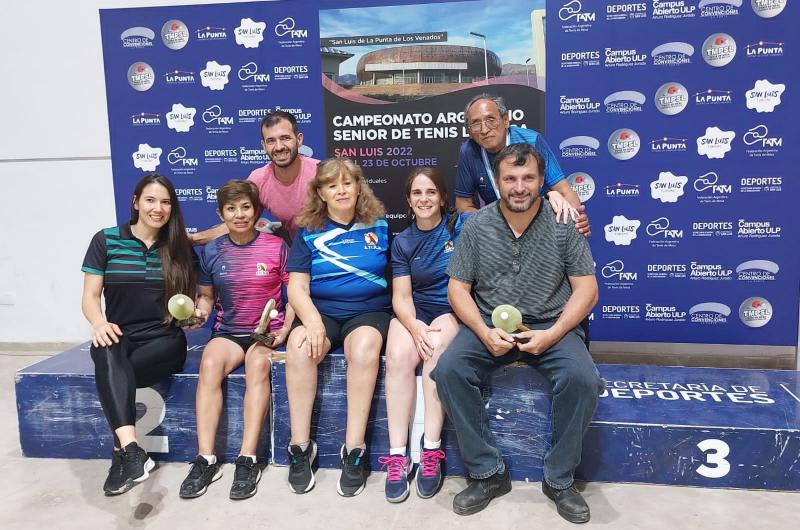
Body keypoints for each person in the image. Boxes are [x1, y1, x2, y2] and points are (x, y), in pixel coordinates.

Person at [431, 143, 602, 523]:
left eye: (528, 178)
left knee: (583, 379)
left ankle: (559, 479)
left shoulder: (564, 222)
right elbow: (457, 289)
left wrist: (553, 334)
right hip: (489, 324)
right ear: (497, 181)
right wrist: (481, 330)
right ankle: (488, 473)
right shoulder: (476, 225)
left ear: (543, 181)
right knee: (448, 371)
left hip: (550, 325)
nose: (519, 187)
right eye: (510, 178)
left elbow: (587, 289)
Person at [81, 173, 197, 496]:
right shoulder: (106, 240)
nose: (157, 208)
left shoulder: (178, 248)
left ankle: (122, 454)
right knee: (106, 350)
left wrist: (197, 311)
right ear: (135, 202)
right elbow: (90, 297)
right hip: (119, 336)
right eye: (150, 200)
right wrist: (99, 323)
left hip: (165, 340)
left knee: (114, 374)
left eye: (165, 202)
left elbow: (203, 296)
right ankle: (132, 451)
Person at [178, 180, 295, 500]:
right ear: (221, 213)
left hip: (266, 333)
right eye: (231, 208)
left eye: (246, 207)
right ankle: (206, 458)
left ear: (257, 211)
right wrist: (199, 314)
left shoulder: (276, 246)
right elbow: (205, 297)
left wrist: (283, 330)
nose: (239, 214)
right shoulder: (212, 251)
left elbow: (295, 294)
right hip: (228, 332)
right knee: (210, 363)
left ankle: (248, 459)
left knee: (258, 366)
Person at [284, 158, 391, 497]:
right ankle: (300, 448)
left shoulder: (380, 225)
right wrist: (313, 322)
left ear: (359, 187)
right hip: (323, 312)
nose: (341, 190)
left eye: (347, 183)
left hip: (369, 311)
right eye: (332, 185)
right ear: (320, 192)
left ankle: (354, 450)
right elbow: (296, 288)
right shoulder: (308, 232)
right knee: (300, 347)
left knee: (362, 349)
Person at [379, 168, 467, 503]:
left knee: (434, 351)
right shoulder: (402, 241)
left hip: (452, 310)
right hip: (413, 312)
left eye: (431, 192)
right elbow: (401, 297)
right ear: (408, 200)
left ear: (443, 198)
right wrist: (414, 326)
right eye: (417, 193)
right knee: (399, 357)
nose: (424, 199)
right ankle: (397, 455)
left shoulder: (461, 226)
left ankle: (431, 451)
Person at [455, 93, 590, 236]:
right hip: (497, 229)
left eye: (491, 120)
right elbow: (464, 204)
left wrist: (574, 221)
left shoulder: (531, 141)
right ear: (469, 131)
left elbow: (565, 192)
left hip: (540, 223)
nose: (484, 129)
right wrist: (491, 226)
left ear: (505, 120)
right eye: (476, 124)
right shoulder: (468, 151)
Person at [190, 110, 318, 244]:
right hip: (297, 253)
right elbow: (238, 222)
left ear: (299, 139)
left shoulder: (320, 173)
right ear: (263, 146)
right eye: (271, 141)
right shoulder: (259, 179)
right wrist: (192, 239)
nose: (279, 147)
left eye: (285, 138)